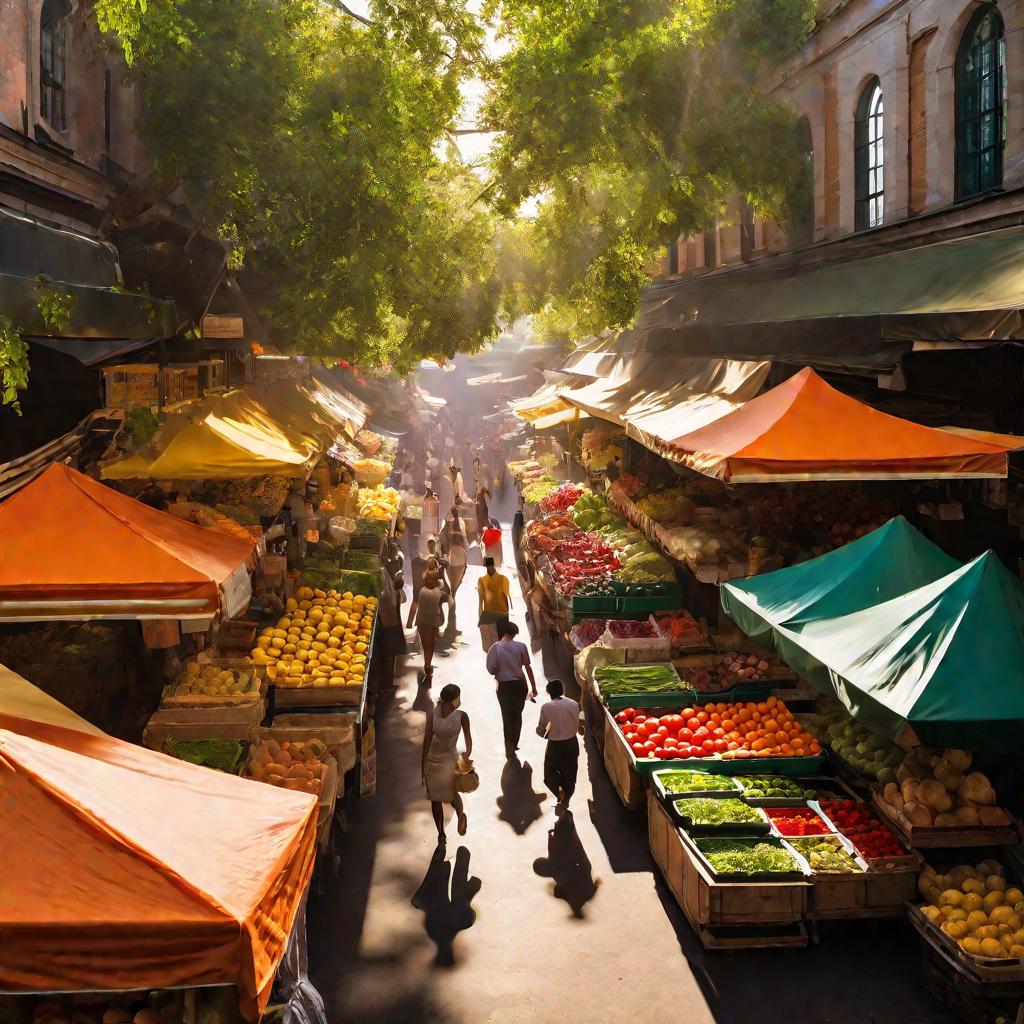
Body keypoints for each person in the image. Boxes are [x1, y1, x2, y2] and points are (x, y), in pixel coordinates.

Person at [422, 683, 472, 842]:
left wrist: (422, 764)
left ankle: (441, 834)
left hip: (433, 761)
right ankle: (460, 814)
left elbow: (427, 740)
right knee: (452, 792)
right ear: (455, 699)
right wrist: (467, 755)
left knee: (435, 800)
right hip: (451, 759)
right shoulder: (461, 716)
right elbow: (468, 739)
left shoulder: (433, 714)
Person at [485, 621, 538, 759]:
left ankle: (509, 746)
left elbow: (491, 669)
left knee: (506, 716)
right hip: (520, 685)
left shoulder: (494, 648)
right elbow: (528, 668)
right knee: (517, 714)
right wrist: (534, 687)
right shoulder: (521, 646)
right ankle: (514, 742)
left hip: (504, 687)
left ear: (503, 633)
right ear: (513, 634)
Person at [537, 679, 583, 813]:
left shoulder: (546, 707)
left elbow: (542, 729)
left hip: (555, 746)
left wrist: (541, 732)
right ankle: (566, 795)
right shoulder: (574, 704)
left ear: (549, 692)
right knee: (570, 773)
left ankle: (559, 792)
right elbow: (579, 723)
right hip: (571, 744)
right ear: (562, 690)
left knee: (549, 773)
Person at [414, 570, 446, 682]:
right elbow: (442, 602)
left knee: (425, 644)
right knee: (430, 645)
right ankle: (428, 664)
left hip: (421, 622)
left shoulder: (422, 591)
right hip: (432, 623)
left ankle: (427, 663)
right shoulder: (437, 592)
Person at [477, 556, 511, 652]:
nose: (489, 568)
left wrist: (507, 618)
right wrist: (480, 619)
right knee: (490, 646)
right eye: (488, 567)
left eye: (490, 566)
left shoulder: (504, 579)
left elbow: (506, 599)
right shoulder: (481, 580)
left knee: (499, 644)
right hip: (489, 614)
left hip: (501, 614)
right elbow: (480, 601)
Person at [440, 507, 468, 600]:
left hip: (452, 554)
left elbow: (445, 538)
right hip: (459, 555)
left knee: (452, 581)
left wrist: (445, 552)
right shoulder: (461, 523)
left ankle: (452, 597)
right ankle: (453, 598)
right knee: (456, 581)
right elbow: (465, 541)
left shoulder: (449, 523)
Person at [405, 541, 429, 629]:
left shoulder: (414, 561)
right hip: (423, 583)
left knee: (415, 602)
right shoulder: (427, 562)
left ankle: (409, 623)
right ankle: (418, 624)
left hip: (416, 583)